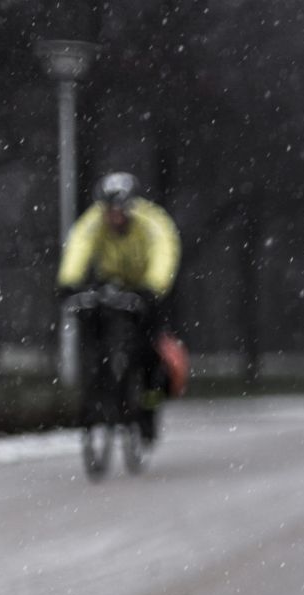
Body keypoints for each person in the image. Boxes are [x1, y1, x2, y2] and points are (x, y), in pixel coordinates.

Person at [56, 173, 181, 444]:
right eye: (109, 210)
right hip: (110, 282)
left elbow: (164, 251)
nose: (114, 215)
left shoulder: (152, 223)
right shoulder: (94, 222)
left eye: (119, 210)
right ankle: (99, 389)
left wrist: (153, 288)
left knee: (148, 351)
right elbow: (79, 245)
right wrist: (68, 282)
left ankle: (148, 408)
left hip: (146, 286)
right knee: (93, 325)